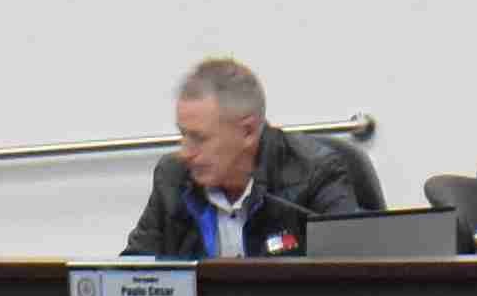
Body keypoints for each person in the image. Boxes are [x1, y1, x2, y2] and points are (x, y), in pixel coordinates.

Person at [118, 56, 372, 258]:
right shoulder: (173, 177)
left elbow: (355, 269)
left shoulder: (315, 173)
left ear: (248, 131)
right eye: (183, 135)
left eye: (199, 138)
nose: (185, 153)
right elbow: (131, 277)